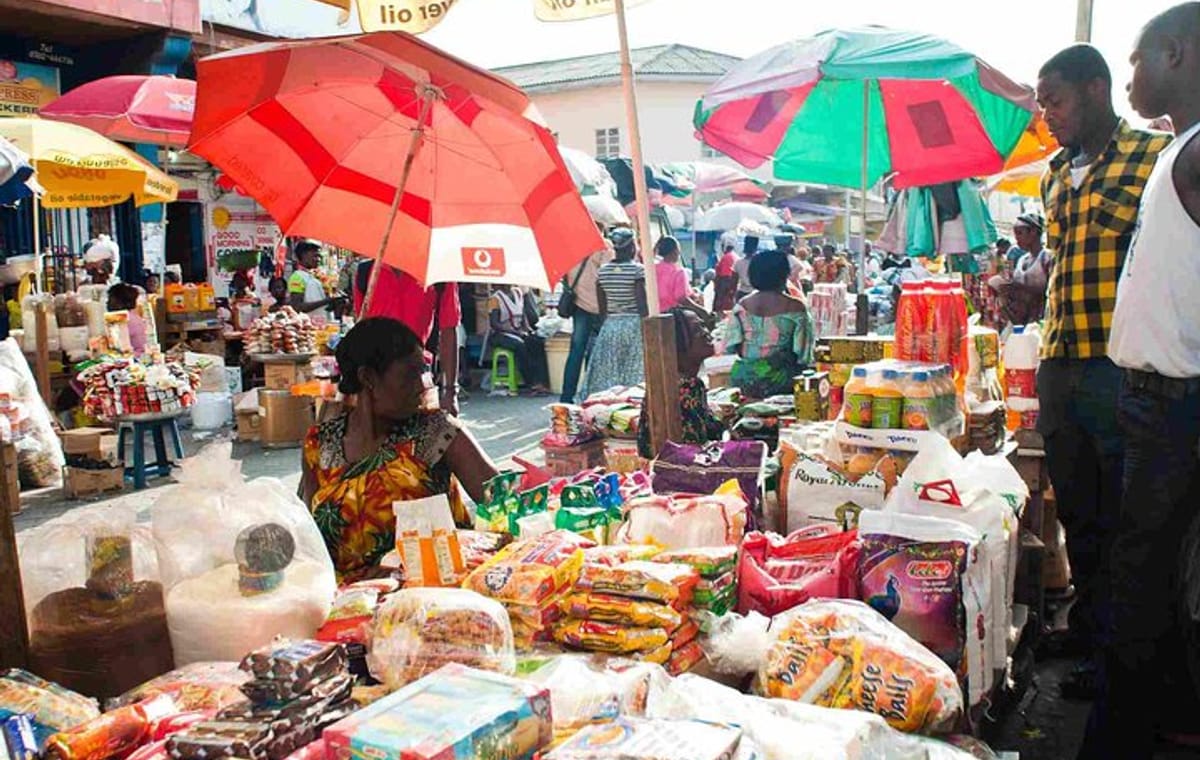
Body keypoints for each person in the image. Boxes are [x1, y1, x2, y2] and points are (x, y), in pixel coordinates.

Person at [1035, 43, 1171, 703]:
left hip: (1120, 369)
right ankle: (1090, 630)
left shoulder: (1154, 157)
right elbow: (1059, 262)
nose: (1048, 117)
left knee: (1124, 521)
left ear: (1095, 89)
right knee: (1079, 515)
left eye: (1054, 101)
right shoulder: (1054, 174)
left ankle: (1120, 662)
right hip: (1058, 363)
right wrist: (1025, 286)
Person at [1091, 6, 1200, 756]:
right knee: (1154, 584)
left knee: (1142, 585)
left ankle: (1116, 742)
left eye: (1134, 61)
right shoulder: (1178, 149)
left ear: (1177, 53)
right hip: (1156, 402)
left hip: (1177, 407)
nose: (1129, 78)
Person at [301, 317, 497, 582]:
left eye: (422, 372)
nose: (421, 386)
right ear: (368, 378)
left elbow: (502, 502)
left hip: (436, 598)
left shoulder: (437, 432)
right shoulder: (321, 445)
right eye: (409, 374)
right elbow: (307, 539)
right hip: (349, 602)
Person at [354, 260, 462, 414]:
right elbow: (361, 328)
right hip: (375, 379)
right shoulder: (366, 272)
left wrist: (450, 391)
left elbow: (449, 329)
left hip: (416, 378)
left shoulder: (438, 274)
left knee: (420, 435)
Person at [722, 249, 815, 399]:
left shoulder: (742, 305)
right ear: (784, 274)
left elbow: (732, 346)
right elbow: (803, 354)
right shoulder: (796, 307)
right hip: (782, 382)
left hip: (745, 380)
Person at [637, 307, 724, 458]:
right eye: (697, 331)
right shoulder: (686, 387)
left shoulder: (680, 380)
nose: (706, 333)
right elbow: (697, 444)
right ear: (678, 344)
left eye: (703, 326)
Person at [584, 228, 647, 397]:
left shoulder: (602, 272)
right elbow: (642, 304)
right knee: (633, 371)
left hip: (611, 326)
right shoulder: (638, 271)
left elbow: (602, 308)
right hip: (634, 325)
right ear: (633, 247)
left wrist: (610, 322)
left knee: (610, 372)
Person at [559, 231, 613, 404]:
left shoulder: (571, 247)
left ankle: (566, 398)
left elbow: (564, 275)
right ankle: (594, 396)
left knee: (576, 352)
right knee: (599, 352)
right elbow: (608, 275)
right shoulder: (604, 246)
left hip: (579, 305)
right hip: (601, 307)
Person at [988, 213, 1052, 327]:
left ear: (1033, 232)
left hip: (1041, 321)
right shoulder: (1022, 260)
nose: (1016, 238)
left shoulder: (1047, 258)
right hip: (1020, 322)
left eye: (1020, 233)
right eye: (1015, 234)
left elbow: (1050, 291)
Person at [486, 284, 550, 394]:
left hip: (517, 331)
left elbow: (523, 315)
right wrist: (516, 332)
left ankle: (542, 381)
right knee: (520, 346)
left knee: (537, 341)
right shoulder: (495, 299)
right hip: (500, 334)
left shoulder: (518, 293)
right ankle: (531, 382)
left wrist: (527, 329)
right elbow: (494, 324)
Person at [288, 240, 341, 321]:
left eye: (319, 256)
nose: (318, 259)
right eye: (315, 256)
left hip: (320, 326)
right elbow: (297, 307)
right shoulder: (297, 277)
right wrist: (326, 301)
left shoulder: (311, 276)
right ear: (304, 255)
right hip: (309, 326)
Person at [653, 236, 698, 311]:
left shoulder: (652, 269)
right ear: (675, 251)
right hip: (673, 315)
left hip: (654, 312)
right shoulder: (678, 272)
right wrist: (700, 310)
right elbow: (681, 298)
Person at [106, 283, 147, 354]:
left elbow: (118, 347)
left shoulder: (121, 319)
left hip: (133, 358)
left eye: (110, 298)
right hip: (141, 356)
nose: (107, 302)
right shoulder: (134, 317)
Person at [713, 242, 739, 312]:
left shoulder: (725, 257)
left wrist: (716, 287)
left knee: (719, 302)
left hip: (725, 280)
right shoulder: (737, 257)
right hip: (733, 282)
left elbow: (719, 272)